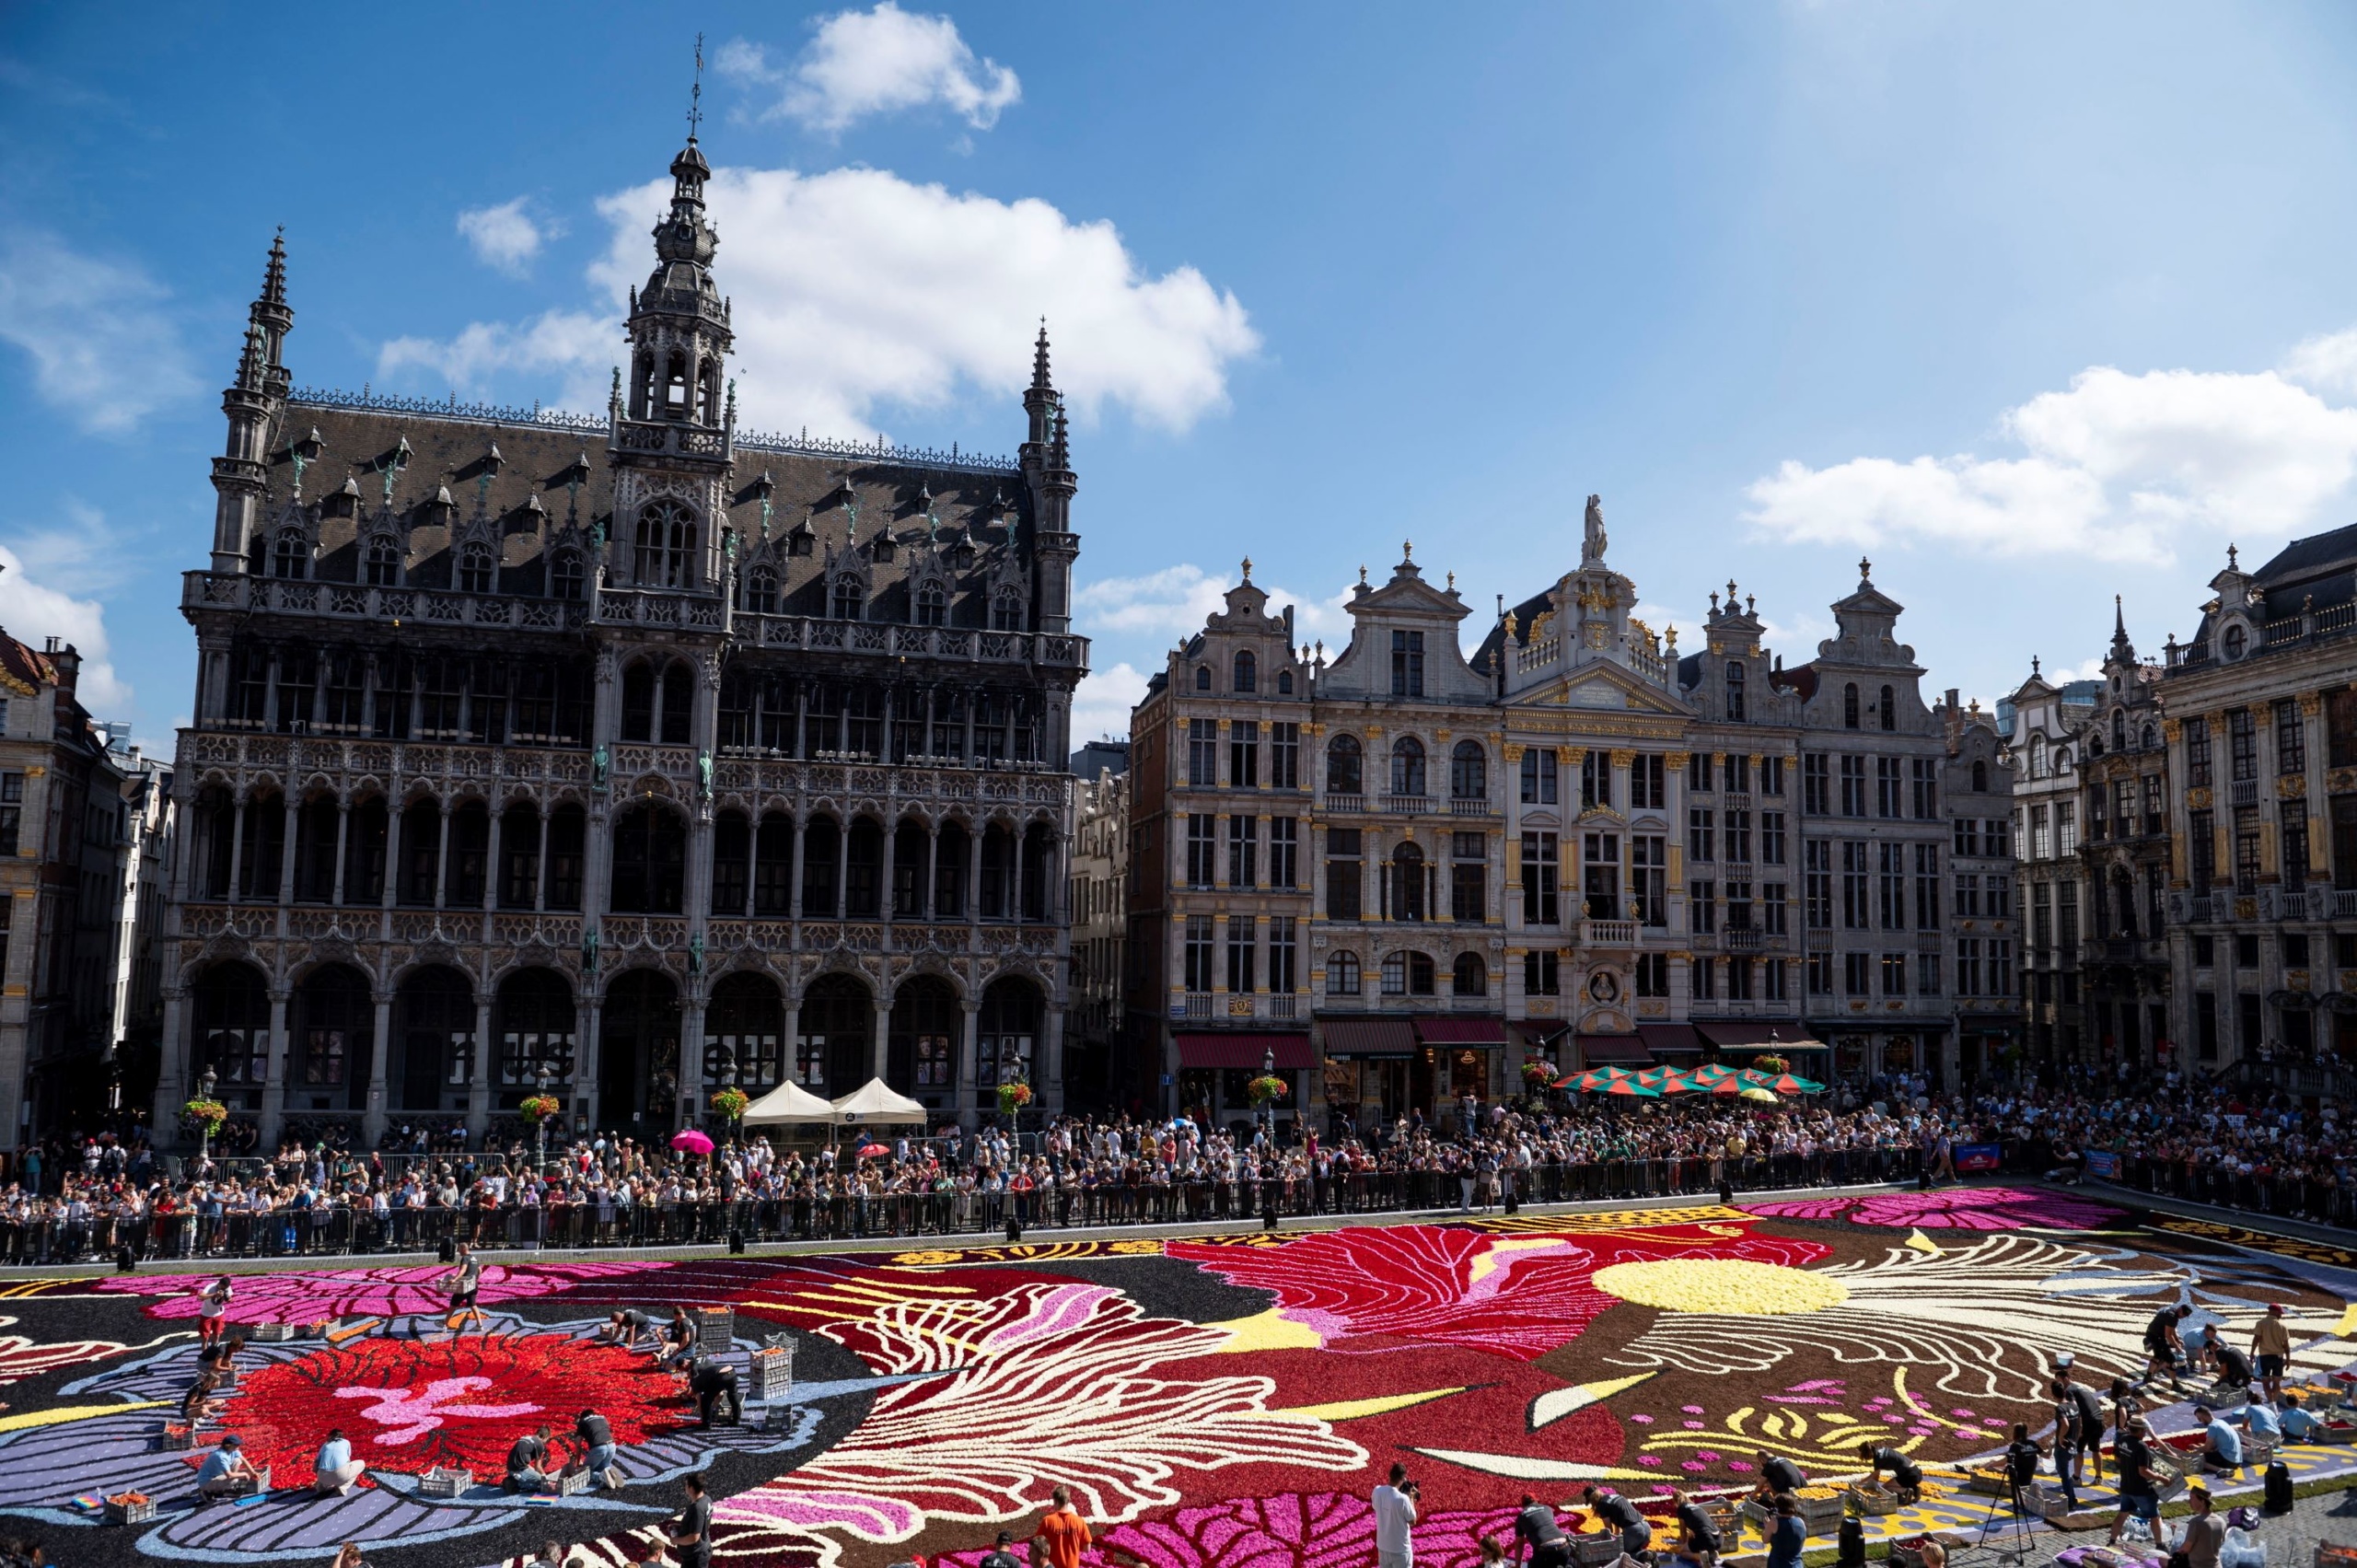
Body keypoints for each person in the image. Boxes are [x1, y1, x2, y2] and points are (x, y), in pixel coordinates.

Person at [2108, 1420, 2162, 1547]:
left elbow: (2118, 1459)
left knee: (2122, 1514)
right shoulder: (2141, 1446)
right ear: (2139, 1431)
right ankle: (2160, 1544)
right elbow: (2143, 1471)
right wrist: (2161, 1477)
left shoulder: (2123, 1439)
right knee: (2154, 1517)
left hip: (2126, 1486)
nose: (2145, 1433)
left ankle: (2112, 1541)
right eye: (2144, 1430)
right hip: (2141, 1489)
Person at [1581, 1484, 1653, 1562]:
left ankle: (1640, 1556)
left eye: (1591, 1502)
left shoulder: (1602, 1504)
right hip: (1646, 1527)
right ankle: (1648, 1555)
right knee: (1633, 1550)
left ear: (1592, 1498)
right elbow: (1618, 1521)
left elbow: (1608, 1530)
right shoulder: (1615, 1496)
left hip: (1634, 1531)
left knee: (1619, 1554)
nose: (1592, 1504)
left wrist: (1606, 1545)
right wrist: (1617, 1537)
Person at [1033, 1483, 1092, 1568]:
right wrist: (1073, 1548)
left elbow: (1037, 1544)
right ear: (1068, 1501)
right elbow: (1087, 1548)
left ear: (1056, 1501)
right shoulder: (1080, 1522)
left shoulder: (1048, 1521)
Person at [1372, 1463, 1420, 1568]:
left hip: (1383, 1547)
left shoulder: (1377, 1491)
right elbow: (1413, 1521)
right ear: (1402, 1478)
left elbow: (1376, 1507)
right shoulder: (1403, 1499)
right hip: (1400, 1550)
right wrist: (1411, 1498)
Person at [2142, 1305, 2192, 1392]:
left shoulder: (2171, 1310)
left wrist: (2177, 1339)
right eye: (2183, 1314)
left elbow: (2171, 1328)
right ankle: (2175, 1384)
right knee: (2171, 1359)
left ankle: (2148, 1377)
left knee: (2158, 1355)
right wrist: (2177, 1347)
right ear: (2180, 1309)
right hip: (2157, 1337)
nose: (2183, 1317)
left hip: (2152, 1333)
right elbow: (2168, 1335)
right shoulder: (2172, 1317)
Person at [195, 1433, 260, 1501]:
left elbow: (243, 1460)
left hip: (218, 1475)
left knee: (237, 1460)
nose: (238, 1447)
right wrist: (245, 1474)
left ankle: (224, 1488)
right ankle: (206, 1491)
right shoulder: (221, 1456)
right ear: (228, 1445)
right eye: (236, 1445)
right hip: (207, 1481)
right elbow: (229, 1475)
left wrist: (253, 1472)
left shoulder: (233, 1450)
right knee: (234, 1480)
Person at [1513, 1493, 1571, 1568]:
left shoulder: (1521, 1516)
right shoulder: (1547, 1508)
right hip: (1564, 1547)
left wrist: (1517, 1566)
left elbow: (1519, 1544)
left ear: (1523, 1505)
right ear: (1536, 1501)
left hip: (1545, 1552)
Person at [668, 1470, 712, 1568]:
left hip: (695, 1558)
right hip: (696, 1554)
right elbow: (700, 1525)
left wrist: (676, 1540)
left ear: (691, 1489)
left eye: (686, 1485)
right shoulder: (707, 1499)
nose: (685, 1487)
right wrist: (680, 1527)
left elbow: (694, 1537)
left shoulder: (697, 1508)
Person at [2251, 1304, 2293, 1403]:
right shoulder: (2282, 1326)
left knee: (2265, 1381)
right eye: (2280, 1313)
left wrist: (2252, 1352)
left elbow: (2256, 1339)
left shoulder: (2261, 1323)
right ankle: (2273, 1402)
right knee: (2277, 1381)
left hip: (2265, 1357)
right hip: (2278, 1357)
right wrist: (2288, 1359)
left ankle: (2271, 1402)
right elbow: (2286, 1345)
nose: (2281, 1315)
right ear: (2274, 1311)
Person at [1670, 1486, 1721, 1568]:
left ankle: (1700, 1557)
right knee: (1700, 1542)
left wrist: (1683, 1546)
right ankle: (1713, 1554)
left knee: (1683, 1553)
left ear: (1675, 1502)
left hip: (1706, 1538)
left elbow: (1683, 1532)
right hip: (1719, 1538)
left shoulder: (1681, 1509)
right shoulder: (1696, 1507)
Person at [1857, 1442, 1922, 1504]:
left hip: (1909, 1475)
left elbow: (1875, 1478)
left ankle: (1907, 1491)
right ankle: (1915, 1489)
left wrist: (1860, 1483)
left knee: (1885, 1489)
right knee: (1889, 1485)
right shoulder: (1881, 1450)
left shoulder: (1878, 1459)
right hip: (1916, 1472)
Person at [2179, 1484, 2225, 1568]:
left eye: (2192, 1498)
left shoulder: (2196, 1522)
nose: (2189, 1501)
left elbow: (2186, 1548)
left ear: (2202, 1501)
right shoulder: (2221, 1521)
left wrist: (2177, 1552)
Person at [576, 1407, 621, 1489]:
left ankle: (600, 1477)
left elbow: (578, 1444)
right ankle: (610, 1473)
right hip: (612, 1446)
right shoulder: (603, 1418)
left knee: (585, 1472)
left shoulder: (582, 1421)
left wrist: (578, 1462)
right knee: (603, 1467)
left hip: (598, 1447)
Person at [314, 1426, 366, 1495]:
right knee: (361, 1463)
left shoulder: (325, 1445)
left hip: (322, 1476)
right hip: (341, 1475)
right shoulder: (346, 1442)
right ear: (342, 1436)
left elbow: (316, 1464)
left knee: (322, 1469)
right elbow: (348, 1460)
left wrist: (319, 1477)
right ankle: (343, 1487)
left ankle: (321, 1485)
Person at [447, 1243, 485, 1339]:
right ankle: (479, 1325)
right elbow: (480, 1270)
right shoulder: (474, 1258)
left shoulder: (465, 1258)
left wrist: (455, 1279)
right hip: (473, 1284)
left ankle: (445, 1324)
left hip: (465, 1285)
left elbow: (463, 1270)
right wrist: (476, 1278)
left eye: (459, 1249)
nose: (458, 1251)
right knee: (473, 1304)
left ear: (464, 1249)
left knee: (453, 1304)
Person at [506, 1423, 555, 1493]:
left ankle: (513, 1479)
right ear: (545, 1436)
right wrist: (544, 1477)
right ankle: (517, 1484)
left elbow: (521, 1460)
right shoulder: (539, 1444)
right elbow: (538, 1467)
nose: (546, 1442)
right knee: (543, 1484)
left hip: (510, 1469)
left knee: (534, 1475)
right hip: (520, 1471)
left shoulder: (525, 1437)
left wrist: (533, 1472)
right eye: (547, 1439)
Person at [2195, 1404, 2243, 1472]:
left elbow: (2207, 1448)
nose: (2200, 1421)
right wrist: (2199, 1447)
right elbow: (2213, 1445)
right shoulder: (2221, 1422)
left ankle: (2220, 1470)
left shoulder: (2212, 1426)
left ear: (2204, 1416)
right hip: (2237, 1460)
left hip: (2228, 1461)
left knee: (2198, 1459)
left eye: (2199, 1419)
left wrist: (2197, 1449)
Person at [1763, 1495, 1805, 1568]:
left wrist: (1767, 1527)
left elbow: (1765, 1539)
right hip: (1797, 1564)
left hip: (1779, 1564)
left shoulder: (1774, 1522)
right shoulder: (1801, 1521)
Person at [198, 1276, 234, 1348]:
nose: (223, 1289)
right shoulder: (211, 1287)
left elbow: (230, 1298)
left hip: (219, 1314)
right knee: (205, 1338)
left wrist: (229, 1299)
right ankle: (205, 1356)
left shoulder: (227, 1287)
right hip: (207, 1314)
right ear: (219, 1283)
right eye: (222, 1287)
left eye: (225, 1288)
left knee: (217, 1335)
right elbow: (200, 1296)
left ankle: (213, 1353)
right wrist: (214, 1295)